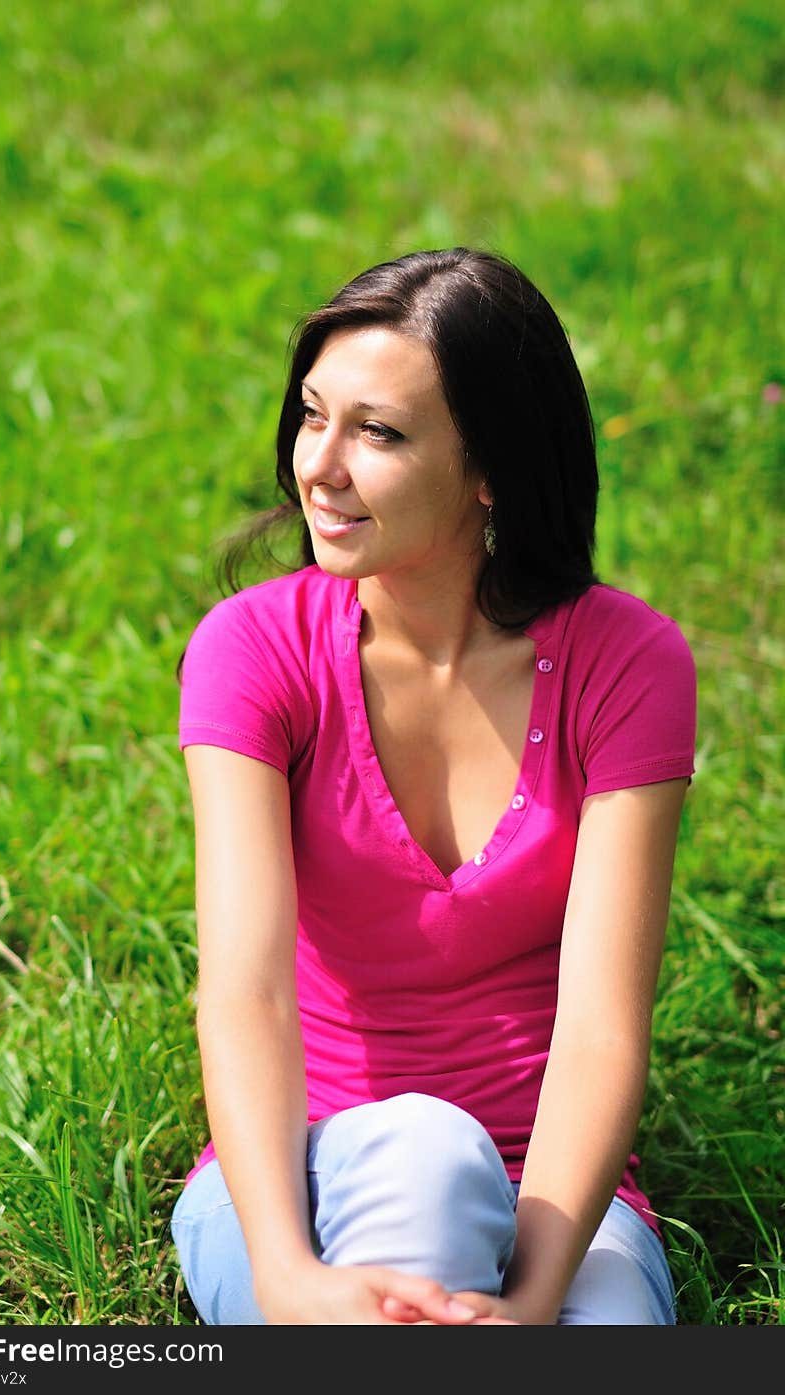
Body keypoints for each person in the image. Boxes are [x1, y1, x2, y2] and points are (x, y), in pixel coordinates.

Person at [169, 247, 697, 1325]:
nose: (319, 464)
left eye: (379, 432)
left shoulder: (625, 664)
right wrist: (286, 1275)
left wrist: (537, 1295)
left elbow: (601, 1028)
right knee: (425, 1155)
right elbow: (246, 991)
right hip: (297, 1185)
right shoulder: (254, 649)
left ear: (490, 466)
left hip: (559, 1201)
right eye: (313, 414)